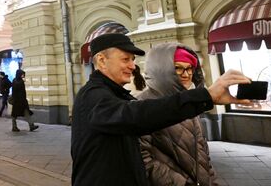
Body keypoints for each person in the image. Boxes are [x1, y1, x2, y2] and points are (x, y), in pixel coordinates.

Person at [71, 33, 252, 186]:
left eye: (133, 60)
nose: (133, 66)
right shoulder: (93, 96)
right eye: (125, 59)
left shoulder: (114, 94)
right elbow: (136, 116)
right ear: (102, 61)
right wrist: (206, 96)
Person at [138, 43, 219, 185]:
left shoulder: (189, 99)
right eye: (178, 68)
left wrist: (211, 180)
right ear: (161, 70)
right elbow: (142, 159)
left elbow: (202, 150)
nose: (186, 74)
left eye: (189, 69)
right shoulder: (142, 103)